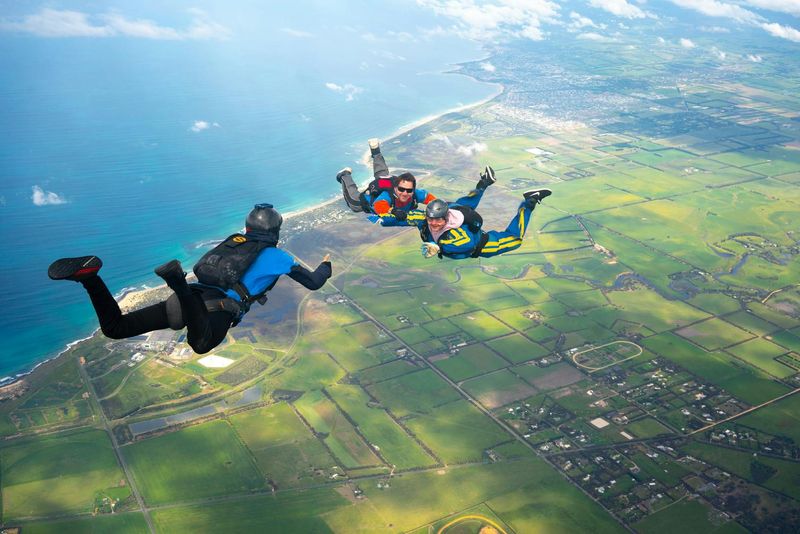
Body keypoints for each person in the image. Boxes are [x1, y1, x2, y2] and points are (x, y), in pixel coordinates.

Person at [48, 204, 331, 354]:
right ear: (276, 231)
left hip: (195, 295)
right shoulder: (280, 258)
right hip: (215, 308)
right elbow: (315, 282)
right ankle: (177, 283)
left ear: (247, 227)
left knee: (116, 327)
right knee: (201, 345)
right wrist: (326, 266)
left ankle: (90, 278)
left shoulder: (235, 241)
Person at [415, 171, 552, 259]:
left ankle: (529, 203)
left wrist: (439, 246)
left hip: (486, 244)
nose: (433, 223)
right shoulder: (447, 211)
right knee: (463, 204)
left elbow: (467, 243)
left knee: (515, 240)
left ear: (446, 218)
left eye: (438, 220)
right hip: (459, 210)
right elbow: (411, 217)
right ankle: (484, 182)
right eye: (430, 219)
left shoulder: (455, 234)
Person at [336, 138, 437, 225]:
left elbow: (432, 200)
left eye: (409, 190)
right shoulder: (387, 195)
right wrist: (393, 211)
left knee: (383, 175)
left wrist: (443, 206)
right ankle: (344, 175)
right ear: (396, 188)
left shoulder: (416, 194)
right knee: (353, 203)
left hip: (387, 181)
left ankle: (376, 151)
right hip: (369, 199)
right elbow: (378, 205)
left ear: (413, 189)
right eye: (401, 189)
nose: (405, 193)